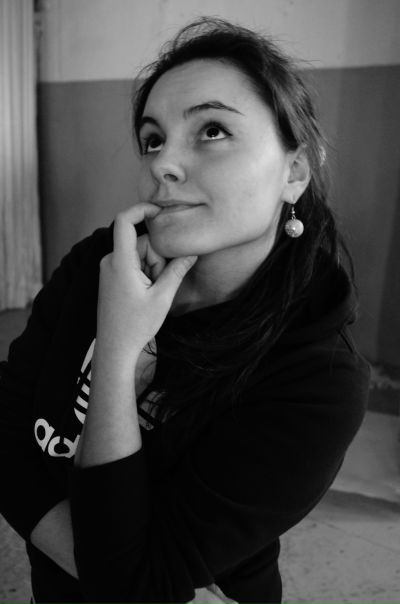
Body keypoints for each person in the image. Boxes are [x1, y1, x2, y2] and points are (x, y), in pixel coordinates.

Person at [0, 16, 370, 604]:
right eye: (153, 139)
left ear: (294, 172)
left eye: (213, 130)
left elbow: (132, 585)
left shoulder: (319, 377)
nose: (162, 165)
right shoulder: (101, 262)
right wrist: (109, 571)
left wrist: (118, 351)